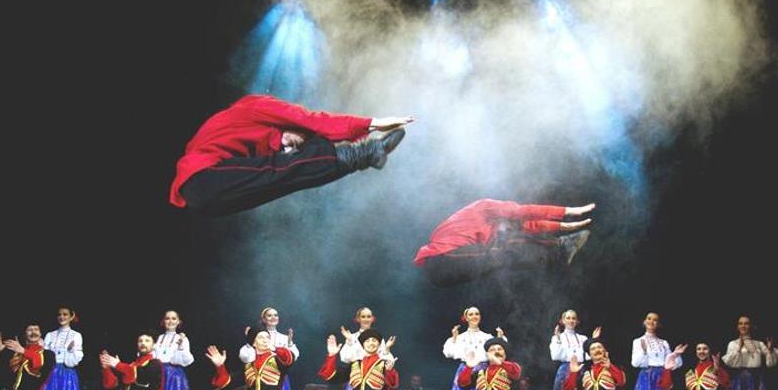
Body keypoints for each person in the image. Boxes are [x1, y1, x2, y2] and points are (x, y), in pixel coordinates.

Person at [170, 94, 413, 216]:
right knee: (285, 168)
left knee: (281, 181)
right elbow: (313, 121)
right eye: (300, 140)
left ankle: (362, 155)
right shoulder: (257, 107)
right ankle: (364, 153)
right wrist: (372, 123)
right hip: (201, 179)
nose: (291, 148)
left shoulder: (255, 138)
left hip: (206, 201)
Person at [413, 199, 595, 287]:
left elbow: (532, 226)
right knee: (504, 249)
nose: (510, 230)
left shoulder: (493, 233)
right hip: (440, 260)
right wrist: (567, 212)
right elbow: (525, 212)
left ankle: (559, 249)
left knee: (503, 259)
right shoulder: (486, 208)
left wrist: (561, 226)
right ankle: (560, 248)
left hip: (443, 275)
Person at [441, 307, 504, 390]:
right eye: (471, 314)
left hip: (482, 373)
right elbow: (448, 353)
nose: (474, 316)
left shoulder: (487, 337)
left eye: (477, 314)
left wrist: (500, 339)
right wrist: (454, 338)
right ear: (466, 318)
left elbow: (499, 355)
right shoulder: (460, 337)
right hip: (465, 372)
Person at [240, 307, 301, 390]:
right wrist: (250, 341)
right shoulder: (257, 335)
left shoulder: (283, 337)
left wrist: (289, 344)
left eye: (275, 315)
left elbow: (292, 358)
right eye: (269, 315)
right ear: (263, 319)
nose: (273, 317)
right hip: (261, 377)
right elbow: (247, 358)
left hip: (278, 377)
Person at [338, 307, 395, 390]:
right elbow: (345, 358)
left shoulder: (378, 338)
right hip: (358, 379)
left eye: (368, 316)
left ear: (373, 319)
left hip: (374, 380)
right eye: (363, 316)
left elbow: (386, 360)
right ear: (357, 319)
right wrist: (349, 341)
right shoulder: (352, 337)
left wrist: (386, 350)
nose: (366, 319)